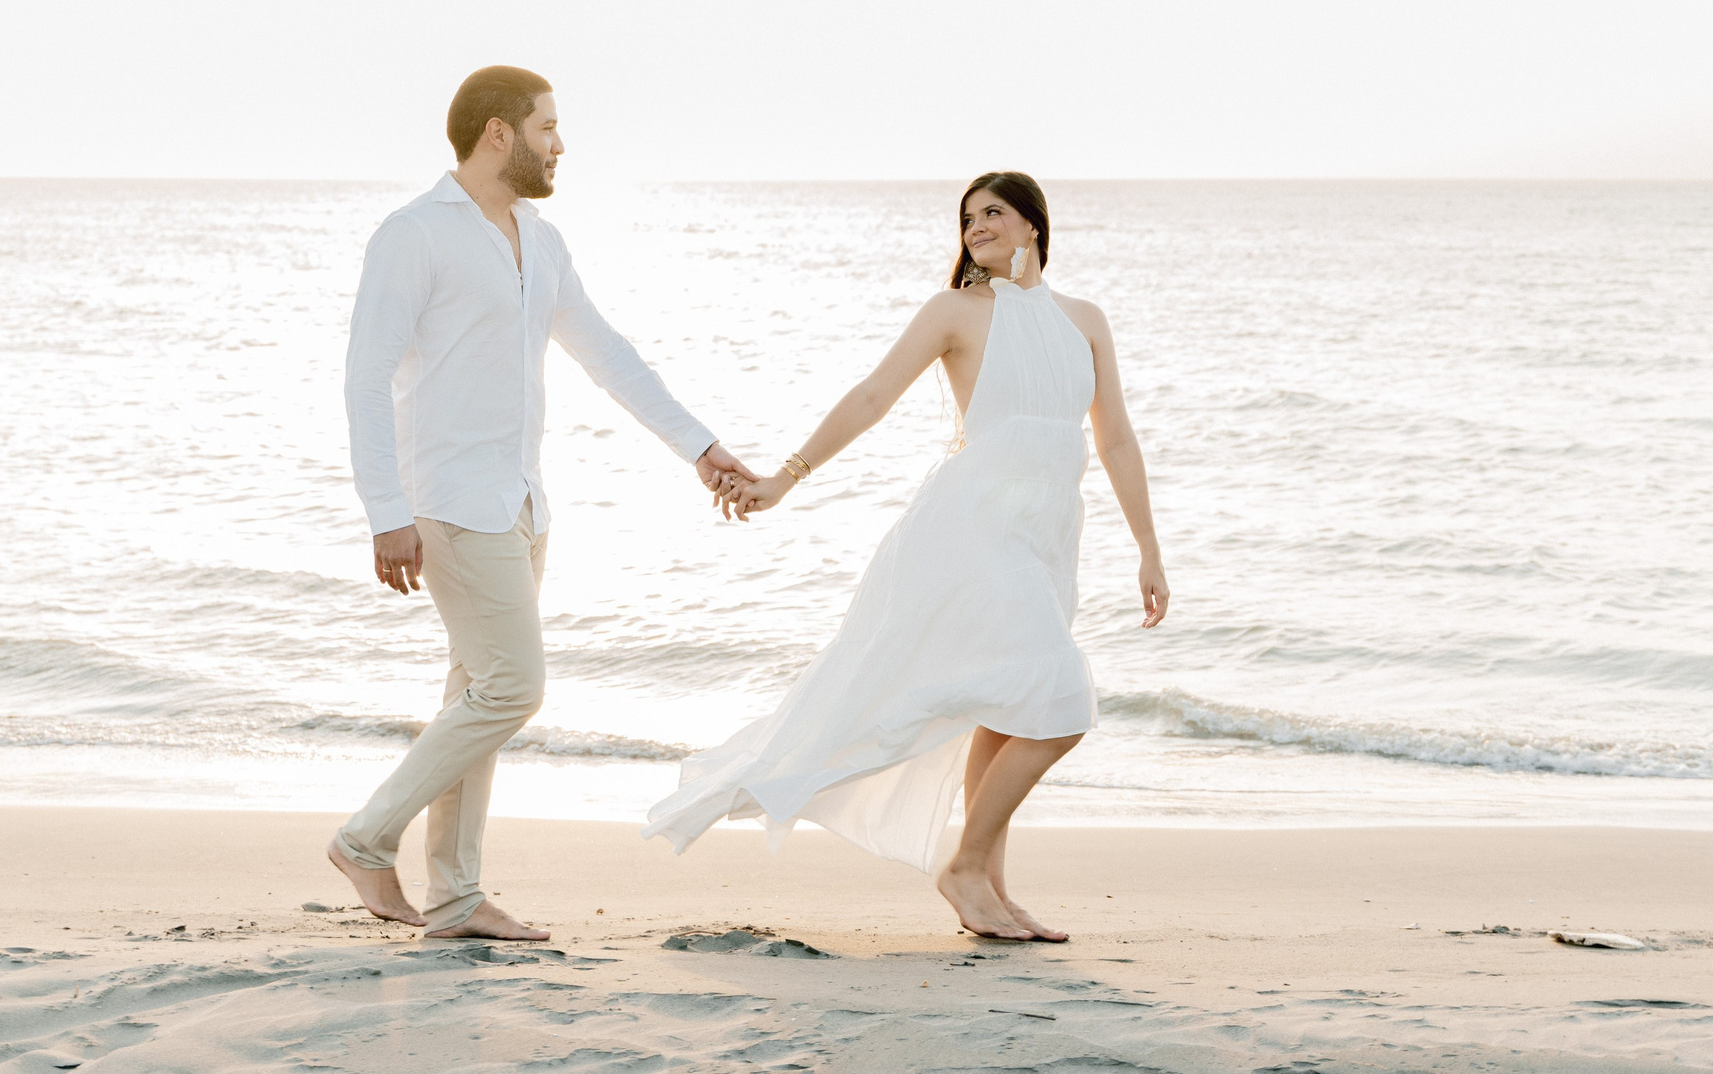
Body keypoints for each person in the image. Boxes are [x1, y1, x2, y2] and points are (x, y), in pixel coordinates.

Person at [644, 172, 1168, 942]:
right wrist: (783, 480)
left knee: (1010, 703)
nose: (977, 226)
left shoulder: (1084, 320)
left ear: (1033, 225)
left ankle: (989, 883)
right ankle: (963, 868)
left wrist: (1148, 549)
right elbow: (870, 397)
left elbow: (1115, 436)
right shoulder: (955, 310)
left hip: (1047, 534)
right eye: (967, 218)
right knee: (1060, 701)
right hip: (972, 528)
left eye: (993, 212)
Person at [330, 65, 757, 939]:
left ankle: (452, 894)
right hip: (447, 498)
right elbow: (365, 379)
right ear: (499, 132)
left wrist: (700, 448)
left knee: (475, 691)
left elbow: (607, 354)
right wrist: (385, 510)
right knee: (514, 686)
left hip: (522, 502)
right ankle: (367, 837)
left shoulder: (540, 236)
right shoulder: (413, 235)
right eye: (549, 127)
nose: (562, 143)